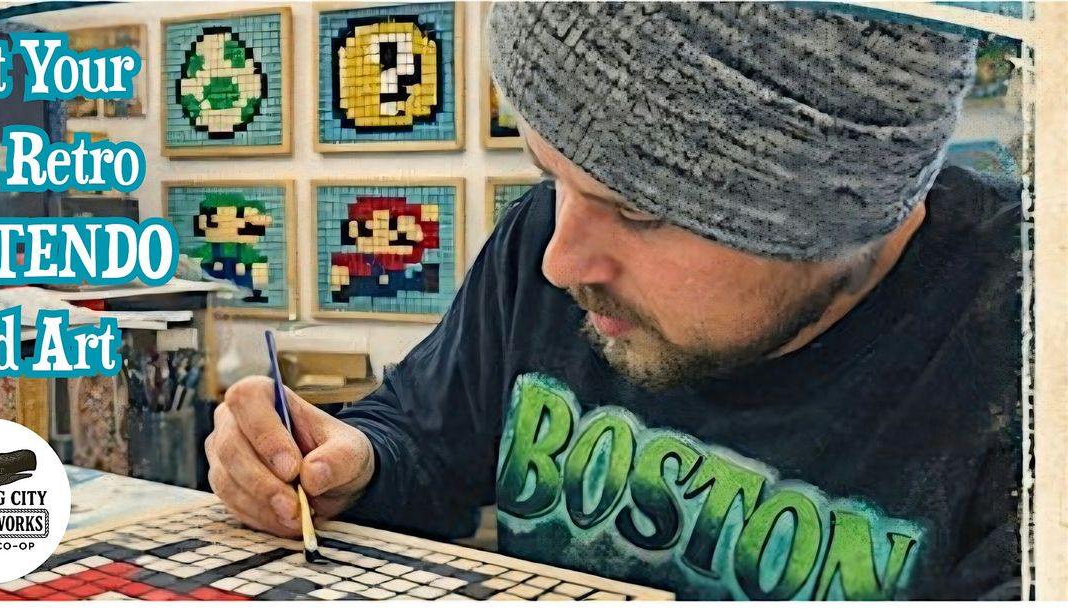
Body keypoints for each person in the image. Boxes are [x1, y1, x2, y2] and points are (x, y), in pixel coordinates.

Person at [206, 2, 1021, 600]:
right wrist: (351, 465)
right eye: (550, 174)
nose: (560, 260)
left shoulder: (1024, 349)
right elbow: (424, 444)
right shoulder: (545, 244)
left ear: (839, 210)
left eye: (636, 208)